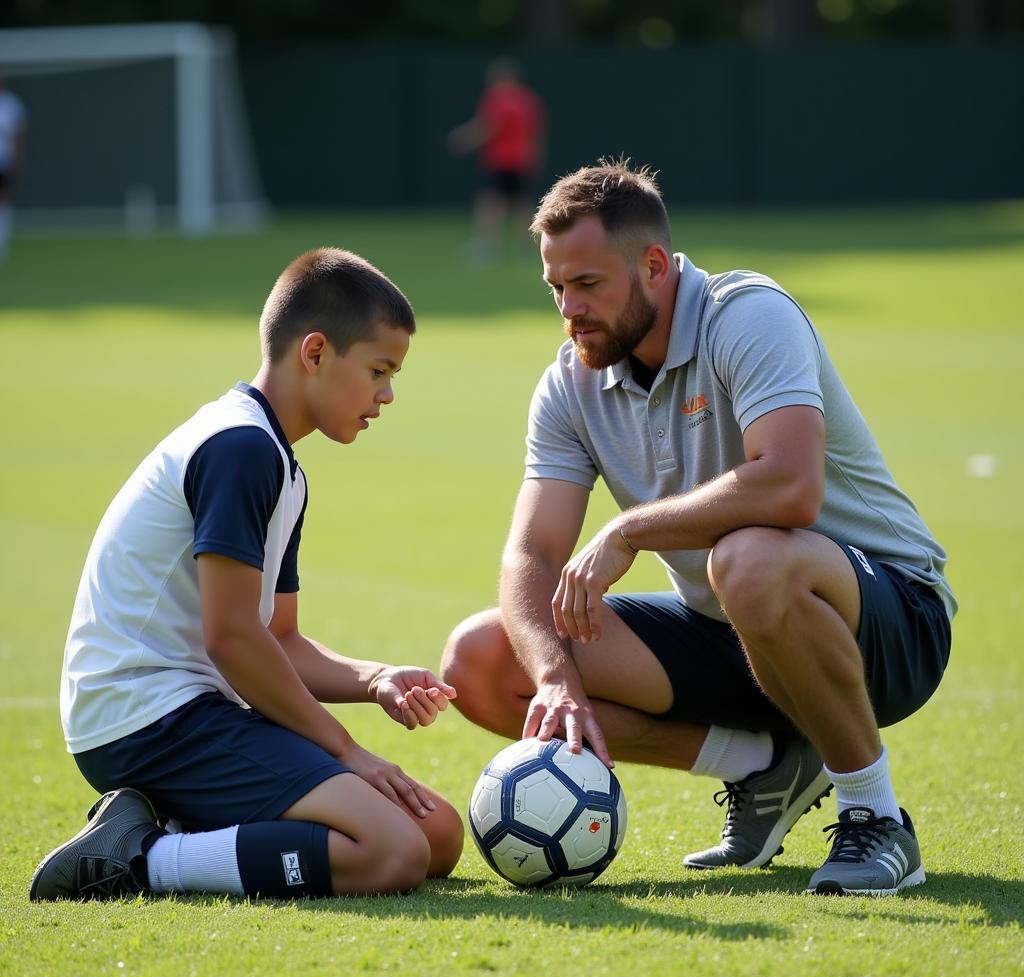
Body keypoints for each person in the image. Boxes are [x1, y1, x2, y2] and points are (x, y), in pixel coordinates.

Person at [442, 159, 954, 896]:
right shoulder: (569, 383)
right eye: (556, 288)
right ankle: (762, 767)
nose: (569, 310)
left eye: (587, 285)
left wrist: (627, 532)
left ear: (653, 265)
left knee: (745, 559)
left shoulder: (746, 313)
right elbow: (533, 551)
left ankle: (876, 819)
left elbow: (789, 484)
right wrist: (554, 680)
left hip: (890, 622)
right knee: (484, 663)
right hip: (738, 632)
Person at [31, 248, 464, 902]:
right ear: (314, 352)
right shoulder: (240, 448)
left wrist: (376, 679)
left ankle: (176, 823)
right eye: (378, 370)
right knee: (390, 852)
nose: (388, 393)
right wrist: (346, 750)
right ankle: (139, 858)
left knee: (436, 835)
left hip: (193, 712)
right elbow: (231, 637)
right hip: (144, 718)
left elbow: (278, 638)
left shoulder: (280, 463)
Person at [448, 57, 546, 263]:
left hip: (501, 160)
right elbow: (536, 132)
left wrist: (465, 139)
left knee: (490, 200)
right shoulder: (528, 99)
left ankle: (486, 245)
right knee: (521, 202)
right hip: (521, 160)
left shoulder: (498, 98)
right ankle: (527, 245)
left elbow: (489, 127)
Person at [0, 77, 27, 262]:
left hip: (4, 161)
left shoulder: (11, 104)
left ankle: (2, 242)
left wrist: (17, 160)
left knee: (3, 202)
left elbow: (17, 136)